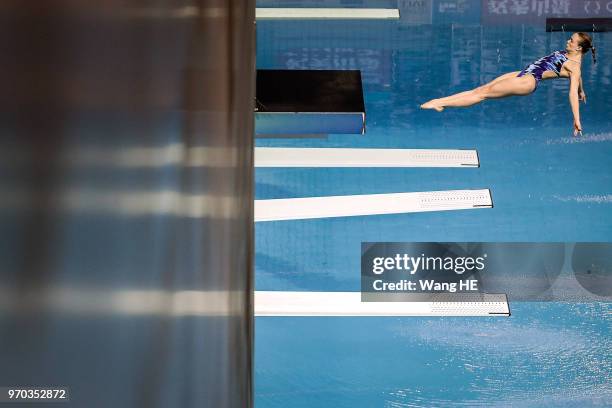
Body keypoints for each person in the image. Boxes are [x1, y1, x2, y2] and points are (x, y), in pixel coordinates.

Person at [420, 32, 596, 136]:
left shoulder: (574, 67)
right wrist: (582, 90)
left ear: (579, 48)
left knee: (482, 94)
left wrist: (576, 119)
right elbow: (577, 80)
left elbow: (571, 91)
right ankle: (440, 102)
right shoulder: (572, 58)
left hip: (528, 81)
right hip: (524, 73)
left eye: (571, 41)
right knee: (480, 89)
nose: (568, 41)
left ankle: (440, 103)